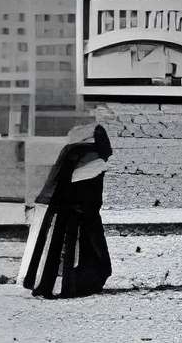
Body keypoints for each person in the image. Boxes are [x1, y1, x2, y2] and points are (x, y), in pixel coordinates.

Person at [19, 120, 113, 298]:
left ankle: (51, 285)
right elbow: (90, 196)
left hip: (59, 210)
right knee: (82, 253)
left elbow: (59, 185)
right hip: (80, 213)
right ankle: (73, 286)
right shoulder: (93, 158)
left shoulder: (70, 152)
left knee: (54, 251)